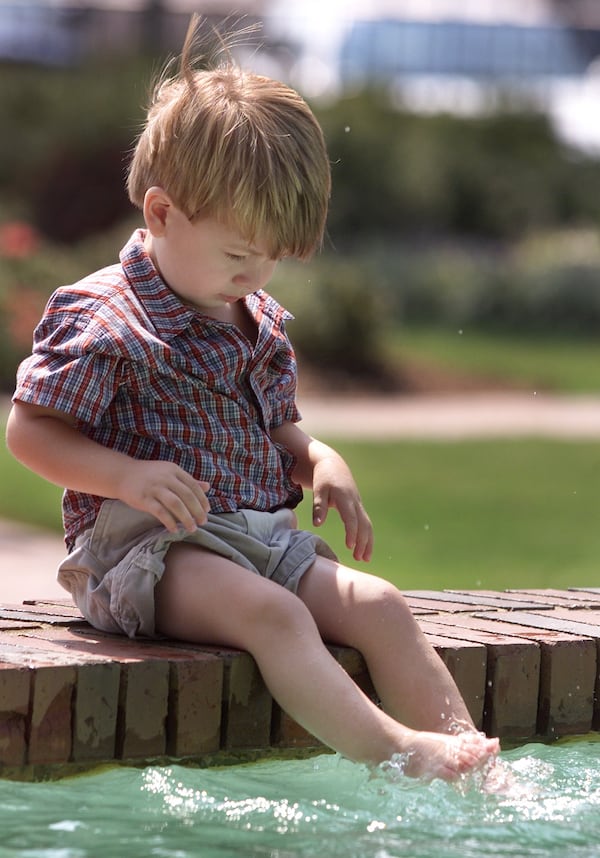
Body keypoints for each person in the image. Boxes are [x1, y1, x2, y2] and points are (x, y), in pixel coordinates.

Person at [6, 16, 498, 782]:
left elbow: (281, 431)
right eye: (240, 252)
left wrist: (319, 461)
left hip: (260, 537)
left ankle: (469, 759)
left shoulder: (257, 321)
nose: (257, 272)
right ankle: (399, 754)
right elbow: (29, 432)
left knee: (382, 605)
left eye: (273, 255)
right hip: (150, 553)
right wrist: (126, 476)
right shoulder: (106, 315)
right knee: (275, 616)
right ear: (162, 213)